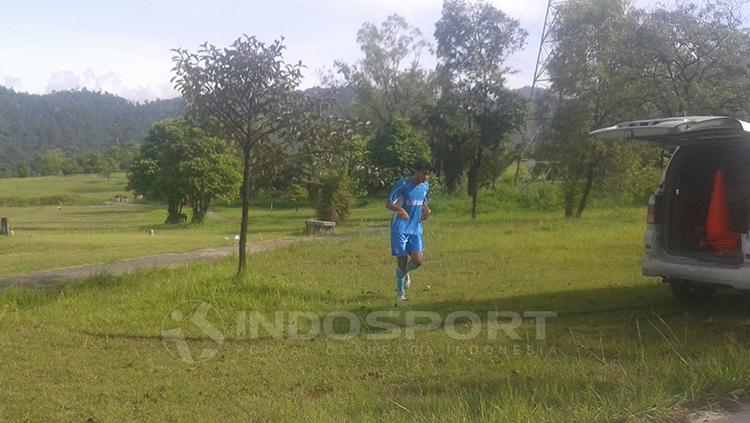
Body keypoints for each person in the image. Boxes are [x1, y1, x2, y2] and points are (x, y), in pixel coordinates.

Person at [385, 160, 432, 303]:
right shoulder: (403, 185)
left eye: (428, 175)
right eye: (423, 174)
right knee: (402, 261)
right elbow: (388, 203)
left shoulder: (425, 186)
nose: (426, 177)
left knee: (418, 261)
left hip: (415, 229)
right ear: (416, 171)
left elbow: (423, 201)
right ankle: (400, 294)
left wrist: (427, 210)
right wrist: (399, 209)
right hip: (399, 228)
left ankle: (404, 273)